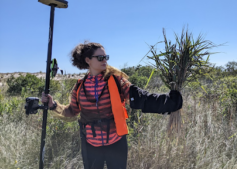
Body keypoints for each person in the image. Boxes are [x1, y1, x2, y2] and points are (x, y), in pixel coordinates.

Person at [42, 42, 183, 169]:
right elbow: (72, 111)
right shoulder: (80, 87)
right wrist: (53, 105)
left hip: (116, 143)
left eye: (106, 57)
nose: (105, 61)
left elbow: (141, 98)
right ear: (88, 60)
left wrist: (168, 103)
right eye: (100, 57)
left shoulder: (117, 81)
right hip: (90, 144)